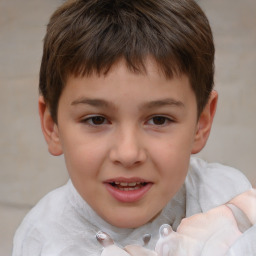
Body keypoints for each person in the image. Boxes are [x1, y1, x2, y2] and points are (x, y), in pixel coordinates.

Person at [12, 0, 256, 255]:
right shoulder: (41, 242)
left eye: (159, 120)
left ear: (201, 123)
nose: (128, 154)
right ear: (53, 126)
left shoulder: (227, 200)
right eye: (96, 120)